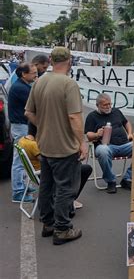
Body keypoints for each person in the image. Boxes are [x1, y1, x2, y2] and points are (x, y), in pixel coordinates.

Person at [25, 47, 87, 245]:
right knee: (65, 188)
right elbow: (74, 117)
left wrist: (43, 126)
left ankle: (48, 223)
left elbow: (28, 112)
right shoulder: (69, 84)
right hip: (64, 147)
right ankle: (62, 229)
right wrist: (82, 142)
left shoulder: (39, 82)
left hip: (45, 144)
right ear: (69, 60)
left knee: (46, 185)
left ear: (51, 60)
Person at [18, 122, 92, 210]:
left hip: (35, 174)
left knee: (77, 166)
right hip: (45, 174)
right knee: (84, 169)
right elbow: (48, 161)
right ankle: (68, 200)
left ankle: (68, 198)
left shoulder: (22, 140)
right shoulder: (33, 145)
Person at [85, 93, 133, 193]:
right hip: (107, 146)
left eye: (109, 104)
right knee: (103, 150)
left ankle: (128, 178)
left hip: (124, 145)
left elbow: (126, 122)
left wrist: (130, 134)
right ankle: (111, 181)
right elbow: (88, 135)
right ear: (98, 105)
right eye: (105, 105)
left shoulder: (116, 111)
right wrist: (97, 134)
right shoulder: (92, 116)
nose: (108, 107)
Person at [8, 63, 38, 203]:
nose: (35, 75)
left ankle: (22, 186)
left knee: (23, 159)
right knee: (20, 159)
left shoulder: (23, 85)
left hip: (21, 125)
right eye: (33, 73)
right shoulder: (21, 88)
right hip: (20, 126)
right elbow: (36, 104)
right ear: (23, 74)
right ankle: (18, 192)